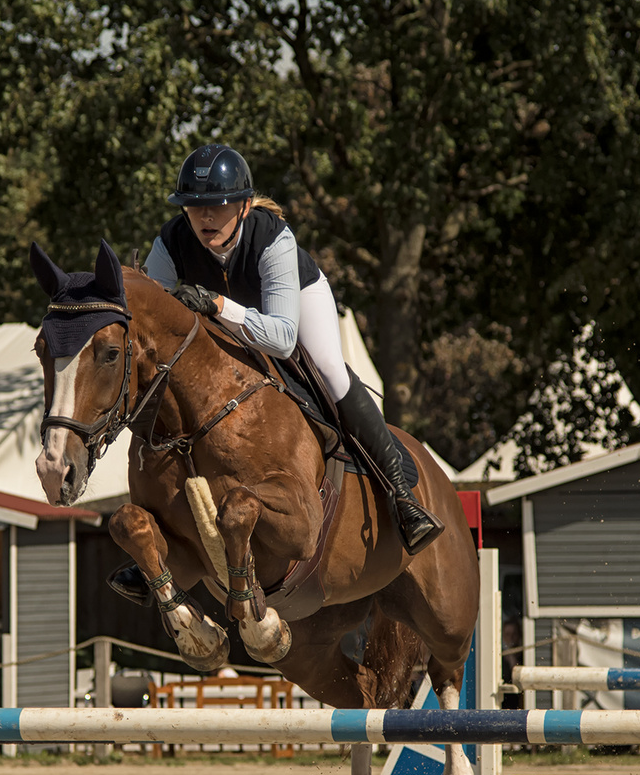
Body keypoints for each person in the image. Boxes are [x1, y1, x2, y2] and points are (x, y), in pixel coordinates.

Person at [144, 144, 444, 554]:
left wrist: (217, 305)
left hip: (292, 307)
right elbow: (151, 321)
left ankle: (401, 496)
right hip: (227, 317)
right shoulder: (169, 242)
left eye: (218, 204)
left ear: (244, 206)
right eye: (194, 207)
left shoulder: (274, 239)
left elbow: (284, 340)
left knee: (330, 369)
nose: (205, 216)